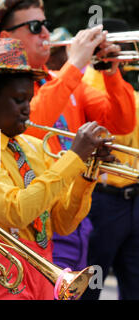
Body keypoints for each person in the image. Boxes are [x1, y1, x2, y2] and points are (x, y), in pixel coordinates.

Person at [0, 37, 115, 300]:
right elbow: (17, 212)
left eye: (30, 98)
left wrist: (87, 171)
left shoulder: (34, 146)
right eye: (19, 100)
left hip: (42, 274)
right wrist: (73, 157)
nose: (28, 109)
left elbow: (62, 223)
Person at [0, 0, 136, 273]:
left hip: (74, 218)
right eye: (34, 26)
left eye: (45, 24)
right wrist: (76, 63)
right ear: (7, 37)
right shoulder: (3, 93)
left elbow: (121, 122)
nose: (45, 33)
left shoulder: (60, 79)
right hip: (32, 226)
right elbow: (31, 126)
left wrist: (112, 73)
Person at [81, 18, 139, 300]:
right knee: (90, 288)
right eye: (124, 46)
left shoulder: (126, 88)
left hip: (133, 199)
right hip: (100, 200)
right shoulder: (88, 85)